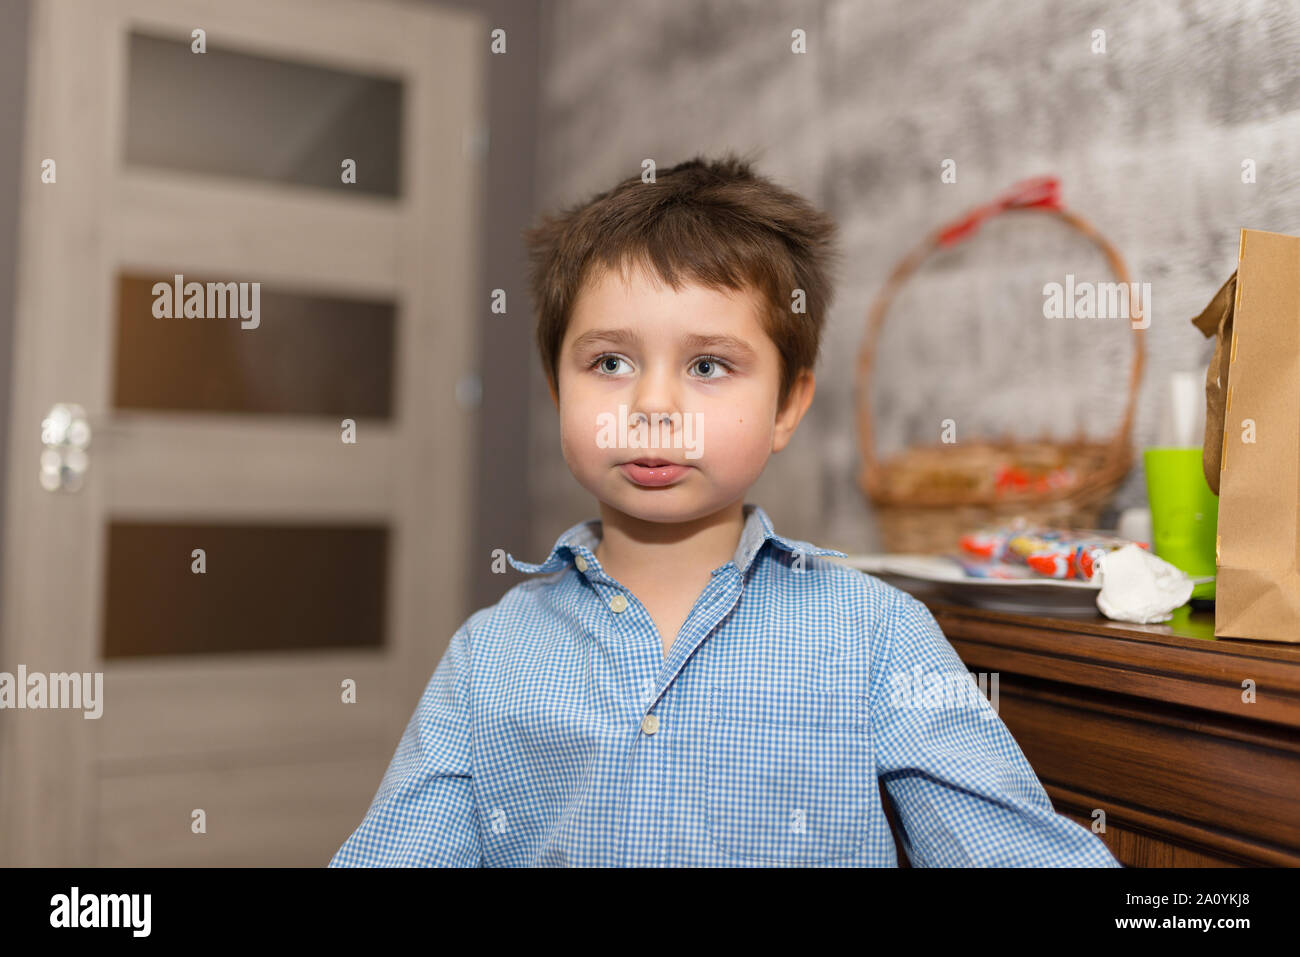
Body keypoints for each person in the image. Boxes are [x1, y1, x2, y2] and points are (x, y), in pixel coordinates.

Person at [329, 153, 1121, 867]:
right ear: (555, 386)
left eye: (709, 364)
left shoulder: (875, 637)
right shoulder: (490, 657)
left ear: (788, 403)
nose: (653, 406)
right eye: (610, 361)